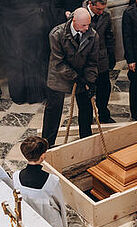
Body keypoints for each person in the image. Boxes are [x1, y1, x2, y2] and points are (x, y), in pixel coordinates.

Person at [0, 0, 53, 104]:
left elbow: (44, 4)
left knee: (37, 66)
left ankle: (39, 95)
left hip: (35, 38)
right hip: (17, 40)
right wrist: (28, 14)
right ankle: (21, 96)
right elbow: (5, 16)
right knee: (19, 68)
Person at [42, 8, 100, 147]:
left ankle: (86, 140)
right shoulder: (57, 34)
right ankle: (47, 145)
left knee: (86, 108)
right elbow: (58, 62)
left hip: (82, 75)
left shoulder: (93, 35)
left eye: (88, 24)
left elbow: (92, 62)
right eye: (84, 25)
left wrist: (90, 81)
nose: (87, 28)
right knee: (53, 110)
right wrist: (76, 77)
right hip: (59, 76)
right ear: (74, 21)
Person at [13, 136, 67, 227]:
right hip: (50, 222)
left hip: (28, 222)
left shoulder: (16, 176)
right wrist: (64, 224)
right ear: (42, 156)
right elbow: (60, 205)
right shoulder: (52, 181)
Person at [85, 0, 116, 123]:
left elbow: (109, 36)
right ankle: (86, 118)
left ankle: (103, 113)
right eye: (98, 9)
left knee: (104, 88)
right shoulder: (81, 15)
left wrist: (111, 55)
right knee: (87, 91)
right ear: (90, 4)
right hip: (86, 61)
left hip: (102, 58)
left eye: (103, 9)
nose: (101, 12)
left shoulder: (105, 16)